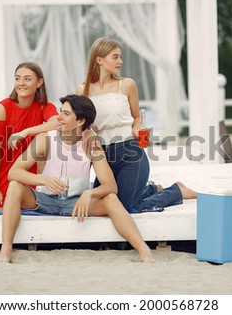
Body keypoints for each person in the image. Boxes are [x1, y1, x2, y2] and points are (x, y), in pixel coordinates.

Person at [0, 94, 155, 263]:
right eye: (60, 111)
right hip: (44, 200)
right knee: (14, 186)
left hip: (75, 203)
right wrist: (43, 180)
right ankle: (6, 250)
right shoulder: (46, 138)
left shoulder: (91, 145)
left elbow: (111, 186)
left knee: (111, 199)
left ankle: (144, 251)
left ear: (80, 121)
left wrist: (89, 193)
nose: (59, 117)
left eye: (66, 114)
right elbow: (14, 172)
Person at [76, 37, 197, 213]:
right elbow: (83, 123)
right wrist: (87, 133)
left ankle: (176, 191)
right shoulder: (83, 89)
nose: (120, 61)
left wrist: (135, 127)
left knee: (127, 207)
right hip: (102, 157)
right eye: (115, 57)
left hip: (129, 151)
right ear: (99, 60)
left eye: (120, 57)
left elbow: (136, 116)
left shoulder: (126, 84)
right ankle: (151, 189)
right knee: (103, 202)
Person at [0, 62, 61, 210]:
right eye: (17, 78)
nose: (21, 83)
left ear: (39, 82)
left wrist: (27, 131)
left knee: (44, 135)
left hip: (22, 169)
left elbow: (57, 123)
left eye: (27, 79)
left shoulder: (43, 106)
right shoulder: (3, 108)